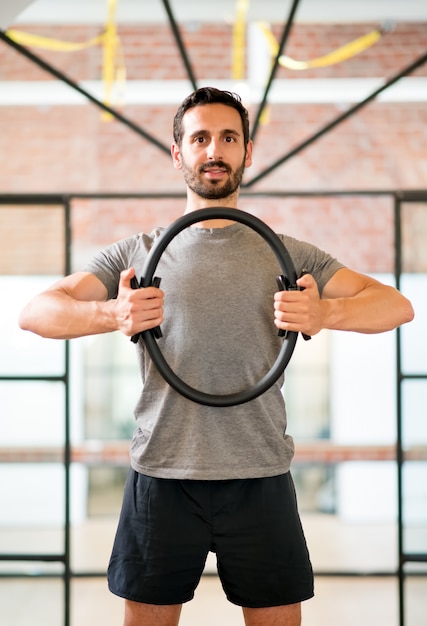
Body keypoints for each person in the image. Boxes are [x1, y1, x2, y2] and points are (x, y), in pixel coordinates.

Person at [19, 87, 414, 626]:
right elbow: (36, 312)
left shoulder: (288, 253)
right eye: (200, 138)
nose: (214, 151)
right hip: (162, 473)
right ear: (177, 152)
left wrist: (325, 315)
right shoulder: (138, 253)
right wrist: (112, 315)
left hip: (260, 472)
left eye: (228, 138)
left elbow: (396, 305)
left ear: (247, 151)